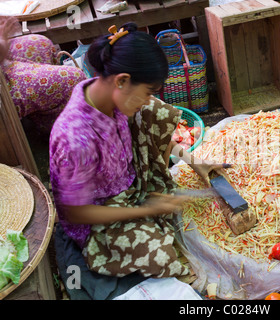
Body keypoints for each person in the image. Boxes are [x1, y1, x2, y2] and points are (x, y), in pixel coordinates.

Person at [49, 23, 229, 278]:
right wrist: (147, 210)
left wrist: (193, 160)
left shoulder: (112, 94)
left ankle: (146, 200)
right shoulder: (75, 139)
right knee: (157, 253)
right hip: (99, 212)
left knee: (155, 111)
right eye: (147, 92)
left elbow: (148, 126)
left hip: (129, 180)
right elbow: (75, 212)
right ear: (122, 80)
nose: (148, 99)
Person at [0, 16, 87, 133]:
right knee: (74, 78)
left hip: (3, 66)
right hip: (3, 87)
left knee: (40, 43)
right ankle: (65, 133)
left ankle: (44, 117)